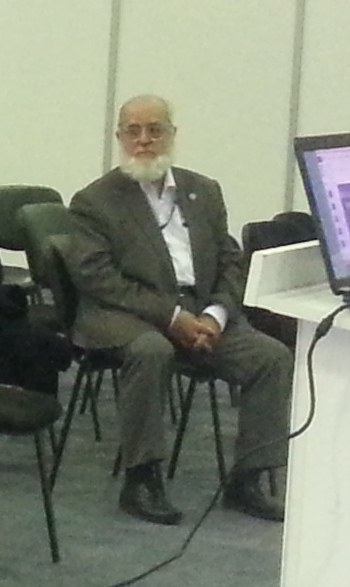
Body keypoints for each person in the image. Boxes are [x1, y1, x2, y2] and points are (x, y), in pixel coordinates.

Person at [65, 95, 292, 524]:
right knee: (151, 350)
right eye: (133, 131)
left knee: (271, 357)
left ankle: (248, 480)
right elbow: (97, 278)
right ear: (119, 137)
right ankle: (142, 479)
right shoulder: (95, 200)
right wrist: (172, 317)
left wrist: (215, 316)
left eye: (155, 130)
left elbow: (230, 262)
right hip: (125, 312)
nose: (144, 140)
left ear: (172, 135)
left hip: (201, 311)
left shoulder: (203, 191)